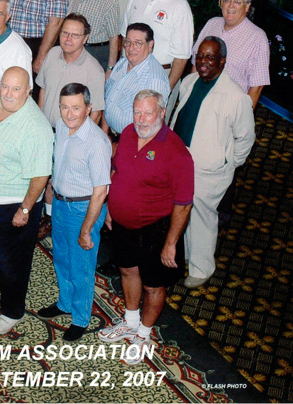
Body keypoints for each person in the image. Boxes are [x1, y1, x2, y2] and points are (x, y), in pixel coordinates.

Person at [98, 90, 193, 365]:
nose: (141, 119)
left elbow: (184, 203)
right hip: (123, 224)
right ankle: (130, 322)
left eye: (148, 113)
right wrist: (111, 207)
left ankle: (143, 334)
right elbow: (117, 171)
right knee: (127, 270)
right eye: (137, 112)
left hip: (155, 229)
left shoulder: (177, 152)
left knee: (153, 285)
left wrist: (171, 243)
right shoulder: (129, 133)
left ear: (162, 113)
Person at [0, 67, 54, 335]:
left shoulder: (36, 127)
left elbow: (41, 175)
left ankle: (13, 311)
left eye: (16, 89)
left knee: (12, 261)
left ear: (28, 91)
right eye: (5, 86)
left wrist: (25, 209)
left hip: (10, 205)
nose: (8, 93)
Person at [172, 37, 255, 288]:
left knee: (202, 216)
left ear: (222, 61)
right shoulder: (190, 81)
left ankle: (202, 268)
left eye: (210, 57)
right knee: (182, 208)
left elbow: (245, 138)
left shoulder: (236, 97)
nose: (203, 61)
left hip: (209, 170)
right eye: (200, 56)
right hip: (182, 161)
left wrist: (228, 162)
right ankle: (187, 254)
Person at [37, 83, 111, 341]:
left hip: (83, 208)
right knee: (61, 257)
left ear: (89, 109)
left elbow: (100, 192)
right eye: (64, 107)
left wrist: (87, 228)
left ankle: (80, 318)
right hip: (60, 203)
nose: (69, 114)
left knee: (81, 266)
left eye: (76, 108)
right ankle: (65, 303)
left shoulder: (97, 142)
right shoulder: (61, 126)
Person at [121, 0, 193, 114]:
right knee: (125, 119)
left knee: (152, 125)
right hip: (130, 72)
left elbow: (182, 57)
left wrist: (166, 89)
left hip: (160, 76)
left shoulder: (180, 7)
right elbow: (125, 36)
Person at [191, 0, 269, 108]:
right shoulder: (211, 24)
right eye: (227, 0)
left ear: (247, 6)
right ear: (221, 3)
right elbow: (195, 64)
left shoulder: (258, 38)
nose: (231, 6)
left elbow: (257, 86)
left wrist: (244, 115)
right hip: (198, 99)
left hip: (227, 108)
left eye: (237, 2)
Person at [103, 23, 170, 141]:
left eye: (138, 43)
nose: (131, 48)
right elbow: (108, 99)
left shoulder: (155, 79)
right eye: (128, 42)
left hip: (133, 142)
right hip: (109, 136)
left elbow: (151, 125)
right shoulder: (121, 64)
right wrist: (104, 133)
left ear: (150, 45)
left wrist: (125, 145)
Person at [37, 13, 105, 127]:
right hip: (45, 129)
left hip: (71, 134)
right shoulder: (52, 54)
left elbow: (96, 113)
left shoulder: (94, 71)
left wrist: (81, 136)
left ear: (85, 38)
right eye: (65, 33)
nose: (68, 39)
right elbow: (43, 89)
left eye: (75, 35)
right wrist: (39, 122)